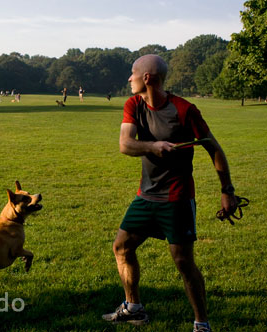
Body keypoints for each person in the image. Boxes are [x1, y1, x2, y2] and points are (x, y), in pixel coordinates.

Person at [102, 54, 237, 332]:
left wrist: (227, 191)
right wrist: (153, 146)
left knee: (183, 262)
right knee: (121, 247)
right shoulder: (133, 104)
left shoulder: (185, 110)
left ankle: (202, 324)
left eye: (133, 73)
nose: (129, 79)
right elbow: (125, 144)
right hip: (146, 196)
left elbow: (214, 149)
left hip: (176, 199)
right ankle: (134, 308)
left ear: (147, 78)